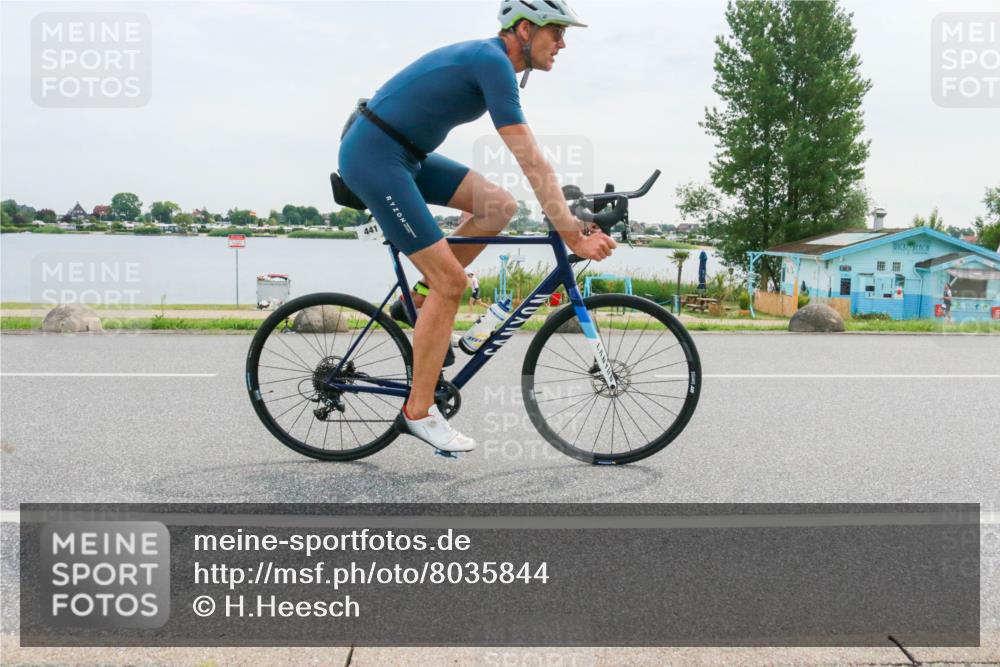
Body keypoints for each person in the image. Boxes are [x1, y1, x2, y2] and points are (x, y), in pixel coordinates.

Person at [337, 0, 616, 454]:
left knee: (499, 206)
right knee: (452, 282)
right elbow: (529, 158)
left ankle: (419, 299)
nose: (563, 44)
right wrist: (570, 234)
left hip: (406, 155)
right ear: (524, 29)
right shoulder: (493, 61)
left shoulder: (491, 62)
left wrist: (570, 218)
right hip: (375, 156)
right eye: (557, 32)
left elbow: (530, 164)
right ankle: (418, 412)